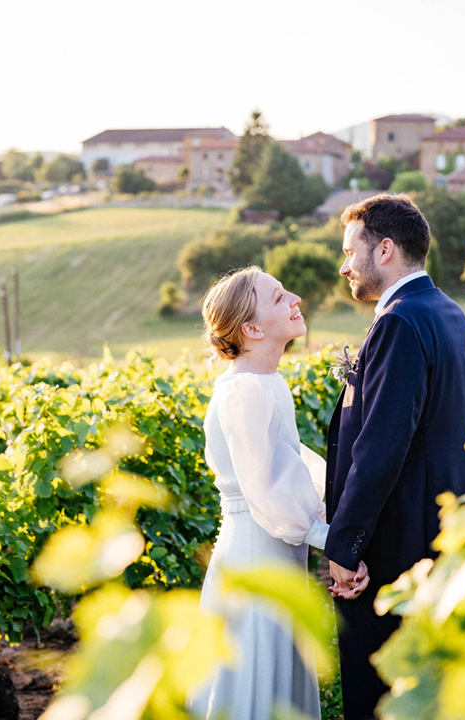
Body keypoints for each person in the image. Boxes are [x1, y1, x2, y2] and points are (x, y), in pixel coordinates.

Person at [324, 193, 465, 720]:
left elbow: (379, 449)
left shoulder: (399, 321)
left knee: (380, 693)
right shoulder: (449, 312)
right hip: (442, 534)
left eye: (351, 252)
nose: (344, 266)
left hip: (396, 547)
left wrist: (345, 547)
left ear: (385, 249)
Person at [188, 266, 368, 720]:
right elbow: (269, 493)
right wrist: (337, 543)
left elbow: (297, 468)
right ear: (251, 329)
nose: (296, 299)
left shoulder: (267, 383)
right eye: (277, 297)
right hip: (255, 557)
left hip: (275, 553)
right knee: (255, 687)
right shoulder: (245, 390)